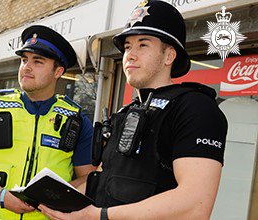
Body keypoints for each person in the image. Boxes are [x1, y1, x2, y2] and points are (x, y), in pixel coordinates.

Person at [39, 0, 228, 219]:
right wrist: (52, 197)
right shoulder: (126, 113)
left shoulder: (195, 108)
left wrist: (99, 216)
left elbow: (195, 204)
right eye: (128, 46)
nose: (130, 54)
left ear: (169, 56)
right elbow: (106, 179)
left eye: (143, 44)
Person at [0, 25, 96, 219]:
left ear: (58, 71)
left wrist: (56, 195)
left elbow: (88, 177)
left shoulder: (76, 119)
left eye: (38, 61)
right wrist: (1, 196)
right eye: (24, 60)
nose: (26, 66)